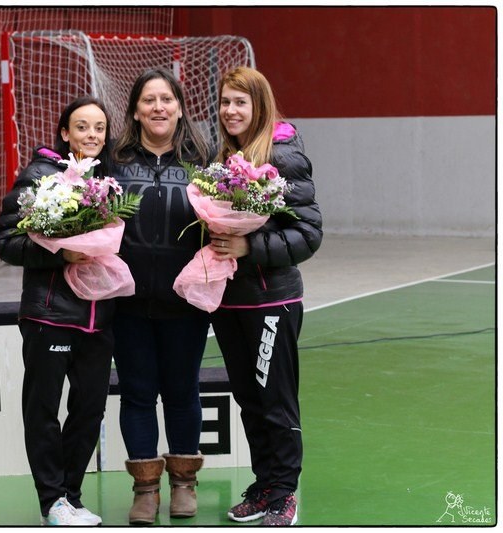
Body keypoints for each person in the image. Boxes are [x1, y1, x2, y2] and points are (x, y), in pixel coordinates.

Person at [0, 97, 115, 526]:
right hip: (50, 313)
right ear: (65, 133)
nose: (91, 135)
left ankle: (71, 496)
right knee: (43, 409)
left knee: (90, 410)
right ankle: (52, 501)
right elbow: (6, 242)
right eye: (82, 127)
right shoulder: (39, 176)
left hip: (99, 317)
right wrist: (61, 253)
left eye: (99, 127)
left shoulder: (110, 180)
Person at [208, 66, 322, 526]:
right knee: (249, 399)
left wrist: (248, 247)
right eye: (225, 101)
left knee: (275, 399)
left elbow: (308, 234)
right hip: (229, 301)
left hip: (270, 300)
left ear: (260, 107)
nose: (230, 110)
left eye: (240, 102)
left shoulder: (284, 156)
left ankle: (285, 492)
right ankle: (264, 484)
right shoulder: (221, 158)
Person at [111, 68, 212, 524]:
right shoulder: (114, 161)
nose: (158, 107)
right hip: (127, 304)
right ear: (135, 110)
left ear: (179, 108)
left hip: (184, 304)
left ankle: (184, 484)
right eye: (148, 100)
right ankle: (145, 490)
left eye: (166, 99)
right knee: (136, 395)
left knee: (182, 391)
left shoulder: (202, 162)